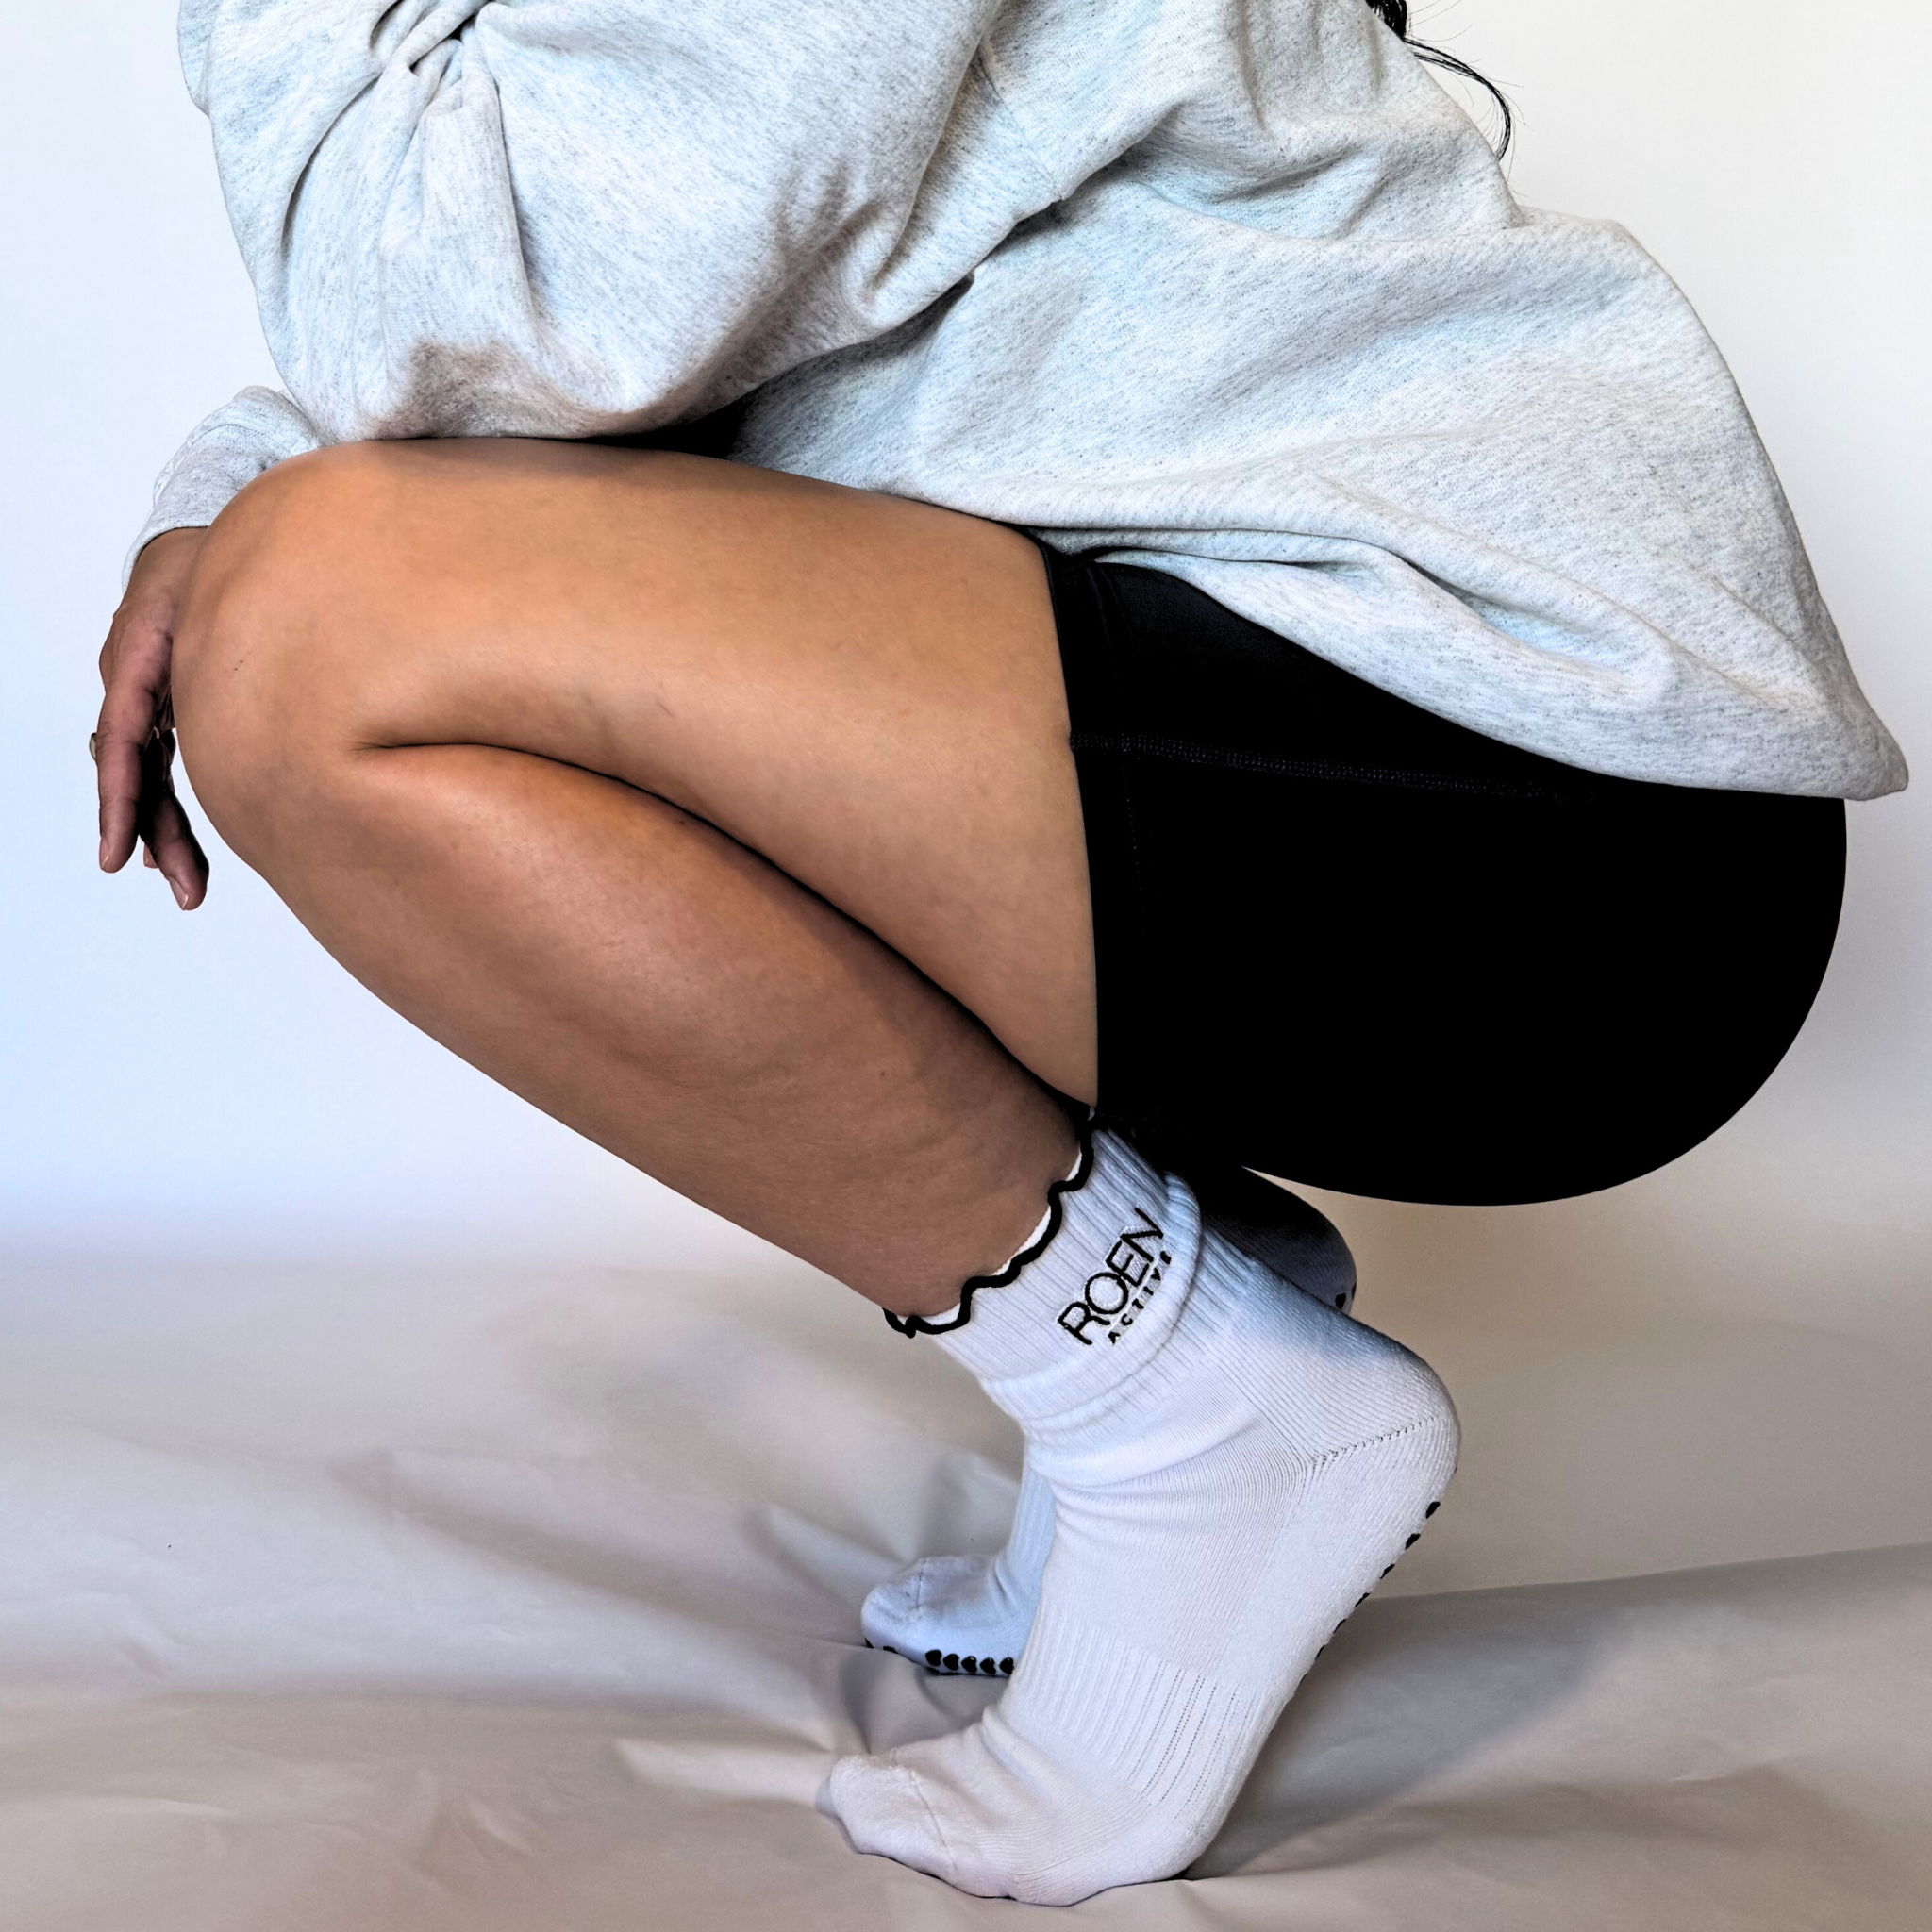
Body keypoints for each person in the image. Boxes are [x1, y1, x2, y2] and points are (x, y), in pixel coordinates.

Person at [92, 0, 1902, 1905]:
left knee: (321, 640)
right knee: (308, 600)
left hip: (1551, 848)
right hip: (1332, 754)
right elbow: (631, 293)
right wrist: (230, 488)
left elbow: (525, 300)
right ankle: (1192, 1272)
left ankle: (1186, 1397)